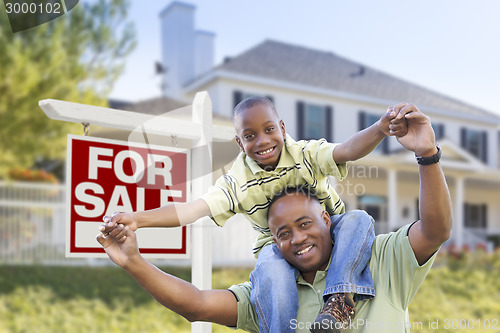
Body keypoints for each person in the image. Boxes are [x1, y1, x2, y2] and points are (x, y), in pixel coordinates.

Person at [98, 104, 452, 333]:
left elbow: (347, 150)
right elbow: (192, 216)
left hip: (345, 234)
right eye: (250, 136)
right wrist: (136, 230)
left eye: (305, 224)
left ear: (282, 127)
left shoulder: (380, 261)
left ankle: (340, 299)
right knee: (269, 264)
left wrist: (392, 135)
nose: (297, 237)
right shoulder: (269, 281)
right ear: (239, 143)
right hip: (270, 256)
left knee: (358, 218)